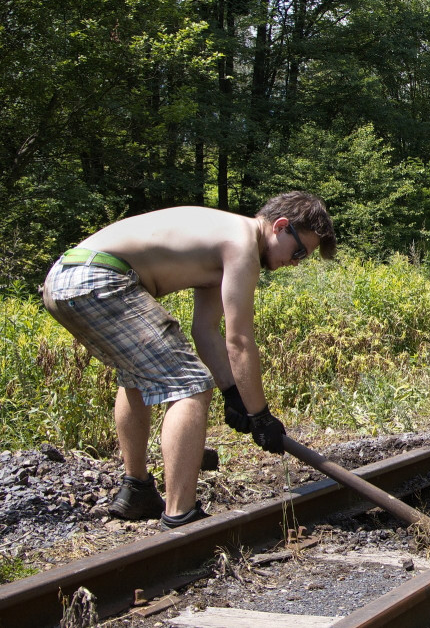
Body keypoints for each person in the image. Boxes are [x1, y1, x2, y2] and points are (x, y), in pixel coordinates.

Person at [41, 192, 336, 529]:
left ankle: (136, 490)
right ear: (281, 227)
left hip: (66, 277)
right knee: (191, 385)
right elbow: (239, 341)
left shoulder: (220, 240)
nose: (295, 262)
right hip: (98, 277)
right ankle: (181, 515)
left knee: (138, 373)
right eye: (298, 251)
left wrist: (233, 394)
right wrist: (260, 414)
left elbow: (206, 331)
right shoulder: (241, 244)